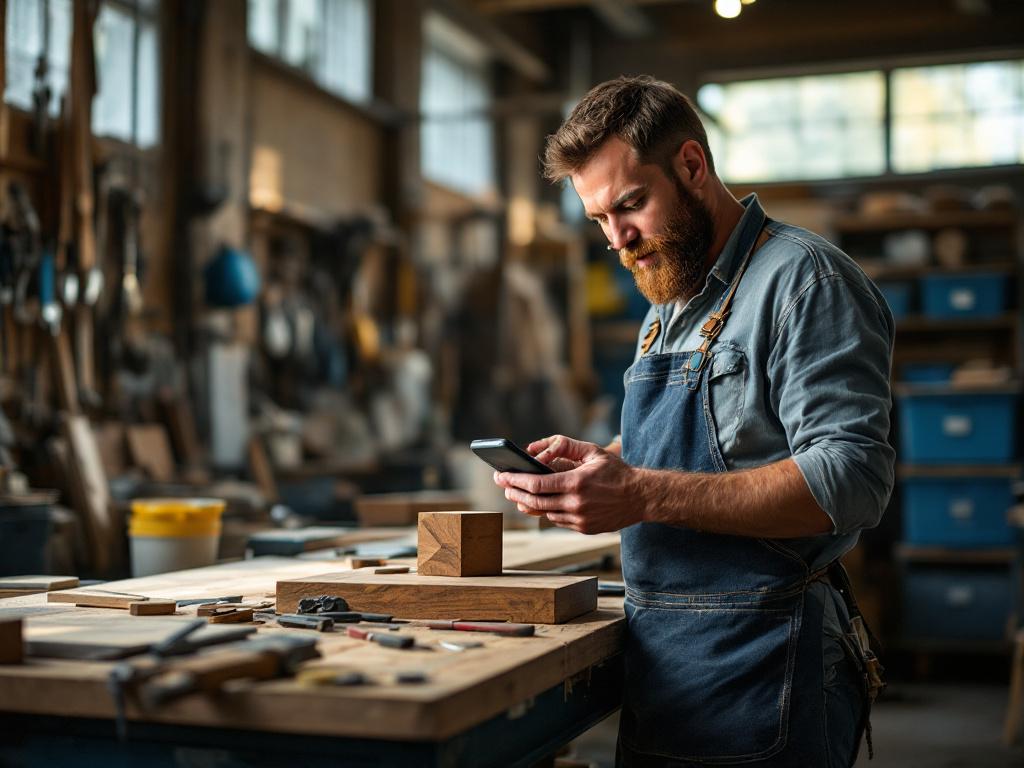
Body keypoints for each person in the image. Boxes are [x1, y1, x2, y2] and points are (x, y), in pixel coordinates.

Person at [493, 75, 894, 767]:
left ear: (691, 165)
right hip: (667, 661)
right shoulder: (668, 301)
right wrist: (605, 464)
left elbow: (852, 479)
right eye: (599, 219)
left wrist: (640, 493)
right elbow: (711, 445)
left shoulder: (804, 282)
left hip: (768, 664)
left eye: (630, 205)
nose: (619, 239)